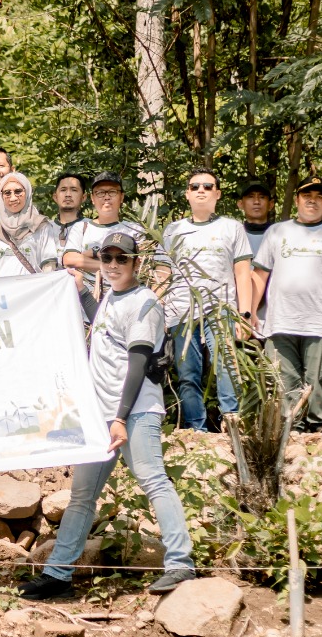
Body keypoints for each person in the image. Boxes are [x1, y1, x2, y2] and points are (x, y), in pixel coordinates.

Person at [21, 230, 196, 600]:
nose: (114, 265)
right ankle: (58, 574)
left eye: (122, 259)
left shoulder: (144, 302)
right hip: (101, 415)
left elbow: (138, 362)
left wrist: (120, 417)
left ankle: (181, 564)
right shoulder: (111, 300)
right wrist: (81, 290)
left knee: (154, 481)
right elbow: (99, 323)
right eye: (107, 258)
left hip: (134, 412)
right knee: (82, 497)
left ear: (136, 263)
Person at [157, 168, 254, 430]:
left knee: (226, 364)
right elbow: (161, 274)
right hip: (180, 311)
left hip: (220, 308)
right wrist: (159, 312)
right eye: (195, 186)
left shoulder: (232, 227)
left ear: (217, 194)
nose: (201, 190)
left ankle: (231, 420)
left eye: (208, 186)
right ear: (187, 194)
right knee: (188, 375)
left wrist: (244, 314)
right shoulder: (172, 230)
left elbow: (243, 273)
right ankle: (196, 429)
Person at [252, 177, 322, 431]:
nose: (312, 201)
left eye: (319, 197)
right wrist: (250, 312)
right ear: (297, 199)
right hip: (280, 322)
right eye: (307, 195)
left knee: (318, 383)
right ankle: (291, 436)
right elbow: (260, 275)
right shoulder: (277, 231)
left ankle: (320, 437)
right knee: (285, 384)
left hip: (319, 323)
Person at [64, 172, 145, 320]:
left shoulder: (135, 230)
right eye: (100, 193)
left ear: (121, 197)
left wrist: (89, 254)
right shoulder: (82, 227)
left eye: (112, 192)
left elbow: (141, 266)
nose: (106, 197)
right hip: (83, 312)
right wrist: (105, 260)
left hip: (125, 309)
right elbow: (69, 259)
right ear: (93, 199)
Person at [0, 172, 59, 278]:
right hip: (1, 292)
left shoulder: (41, 227)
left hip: (31, 291)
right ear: (1, 196)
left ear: (27, 193)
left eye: (18, 191)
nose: (13, 198)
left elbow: (49, 267)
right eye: (7, 193)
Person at [236, 179, 274, 257]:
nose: (256, 201)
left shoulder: (280, 235)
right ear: (241, 204)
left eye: (262, 197)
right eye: (250, 197)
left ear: (270, 204)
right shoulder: (234, 236)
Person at [51, 172, 89, 248]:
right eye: (63, 190)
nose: (68, 194)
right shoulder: (45, 229)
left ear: (83, 197)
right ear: (55, 197)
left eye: (74, 190)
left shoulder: (91, 227)